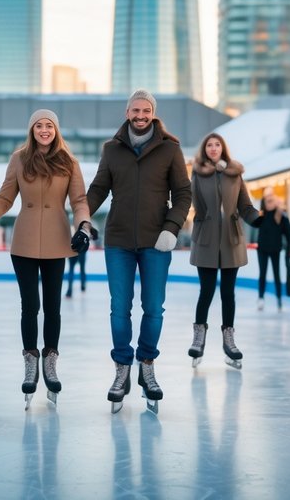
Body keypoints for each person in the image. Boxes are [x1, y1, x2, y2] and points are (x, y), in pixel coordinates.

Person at [0, 109, 94, 407]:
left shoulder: (69, 161)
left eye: (49, 126)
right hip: (25, 240)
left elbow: (79, 201)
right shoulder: (19, 158)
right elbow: (5, 198)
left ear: (56, 130)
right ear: (32, 130)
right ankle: (31, 361)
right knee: (30, 305)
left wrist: (84, 226)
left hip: (56, 239)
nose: (44, 130)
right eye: (39, 125)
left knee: (52, 305)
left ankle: (50, 360)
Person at [86, 89, 191, 413]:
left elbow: (184, 193)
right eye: (135, 110)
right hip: (117, 240)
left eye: (146, 110)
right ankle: (122, 369)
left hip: (156, 241)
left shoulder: (170, 149)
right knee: (120, 308)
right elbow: (99, 188)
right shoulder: (112, 149)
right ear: (127, 112)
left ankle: (147, 363)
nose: (140, 115)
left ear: (153, 113)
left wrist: (171, 228)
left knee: (153, 308)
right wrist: (81, 219)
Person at [187, 132, 259, 369]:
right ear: (205, 149)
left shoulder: (235, 174)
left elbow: (245, 205)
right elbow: (192, 203)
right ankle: (199, 338)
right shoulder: (198, 174)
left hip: (231, 240)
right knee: (206, 291)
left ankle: (229, 340)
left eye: (217, 144)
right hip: (206, 238)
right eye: (210, 145)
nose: (214, 148)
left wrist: (258, 219)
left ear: (223, 148)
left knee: (228, 293)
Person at [252, 193, 290, 311]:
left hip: (275, 250)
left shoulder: (281, 216)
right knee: (262, 274)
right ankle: (260, 298)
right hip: (262, 250)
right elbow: (253, 223)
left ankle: (279, 299)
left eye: (271, 201)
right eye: (267, 201)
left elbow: (289, 235)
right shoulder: (261, 216)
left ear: (276, 202)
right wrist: (258, 212)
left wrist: (289, 250)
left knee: (277, 275)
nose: (269, 203)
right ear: (263, 203)